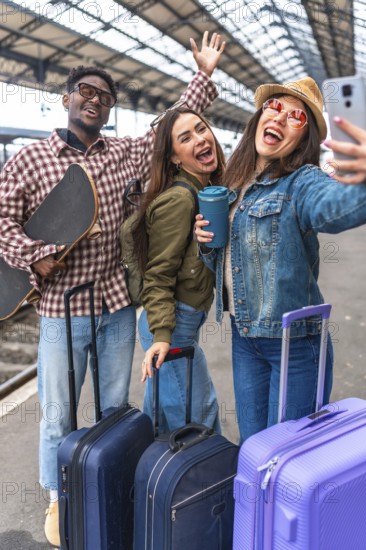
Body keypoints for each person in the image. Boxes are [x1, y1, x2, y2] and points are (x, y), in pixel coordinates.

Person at [0, 31, 225, 547]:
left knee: (113, 407)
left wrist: (204, 76)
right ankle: (60, 498)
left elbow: (166, 129)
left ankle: (104, 486)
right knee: (56, 411)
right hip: (62, 310)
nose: (95, 100)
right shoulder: (31, 160)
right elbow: (3, 222)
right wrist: (36, 255)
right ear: (67, 97)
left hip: (119, 307)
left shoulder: (124, 153)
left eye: (104, 96)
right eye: (86, 91)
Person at [195, 76, 366, 444]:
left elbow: (336, 209)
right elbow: (229, 268)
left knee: (284, 456)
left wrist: (362, 179)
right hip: (245, 337)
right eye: (273, 108)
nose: (280, 118)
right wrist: (207, 244)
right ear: (259, 117)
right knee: (254, 450)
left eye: (296, 117)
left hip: (295, 343)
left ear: (303, 140)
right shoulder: (234, 184)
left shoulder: (302, 182)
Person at [132, 107, 226, 434]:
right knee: (200, 417)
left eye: (202, 129)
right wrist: (162, 336)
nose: (200, 139)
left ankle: (151, 483)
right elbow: (157, 276)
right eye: (186, 138)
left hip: (181, 323)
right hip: (171, 328)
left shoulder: (207, 190)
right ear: (174, 157)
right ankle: (216, 484)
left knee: (159, 420)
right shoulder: (180, 200)